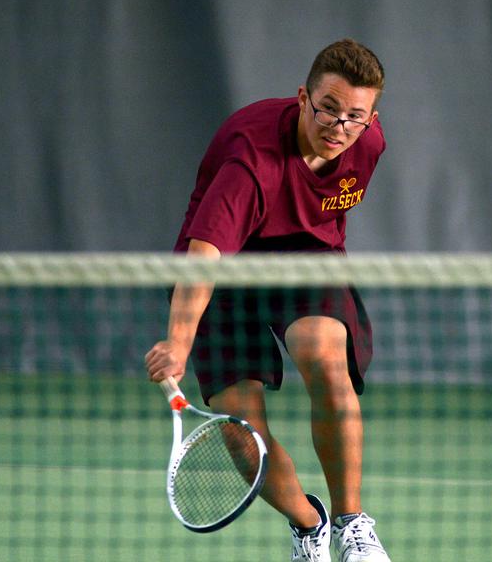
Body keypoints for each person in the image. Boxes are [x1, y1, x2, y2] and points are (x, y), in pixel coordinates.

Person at [145, 39, 391, 562]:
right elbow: (205, 253)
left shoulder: (367, 144)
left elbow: (326, 203)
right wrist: (179, 343)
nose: (338, 128)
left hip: (303, 258)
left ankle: (353, 524)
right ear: (303, 97)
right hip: (223, 276)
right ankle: (310, 524)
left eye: (354, 117)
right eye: (327, 109)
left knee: (324, 358)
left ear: (371, 118)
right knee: (241, 435)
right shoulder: (250, 164)